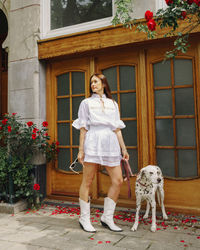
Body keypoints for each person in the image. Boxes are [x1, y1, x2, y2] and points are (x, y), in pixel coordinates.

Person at [72, 73, 129, 233]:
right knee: (87, 181)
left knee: (118, 180)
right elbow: (83, 127)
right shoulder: (86, 103)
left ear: (104, 83)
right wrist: (80, 150)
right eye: (91, 82)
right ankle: (84, 218)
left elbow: (117, 128)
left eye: (96, 81)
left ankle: (107, 218)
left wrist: (123, 149)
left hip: (110, 142)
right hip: (93, 141)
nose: (93, 84)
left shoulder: (113, 104)